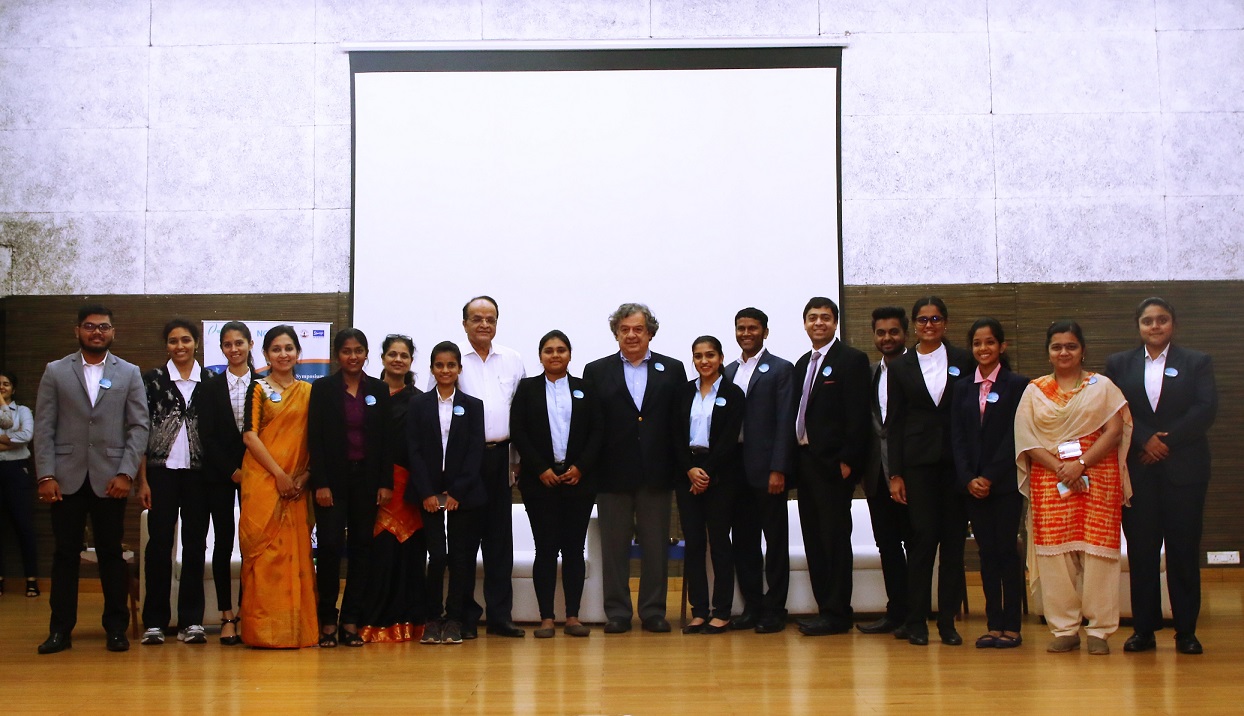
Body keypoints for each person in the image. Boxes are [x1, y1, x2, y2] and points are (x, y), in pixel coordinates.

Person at [34, 304, 149, 654]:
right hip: (65, 478)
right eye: (89, 326)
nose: (97, 332)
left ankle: (115, 629)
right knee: (65, 555)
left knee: (111, 555)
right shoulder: (55, 371)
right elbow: (44, 426)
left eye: (104, 327)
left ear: (113, 332)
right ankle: (60, 631)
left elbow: (139, 426)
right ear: (77, 331)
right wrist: (46, 474)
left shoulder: (129, 373)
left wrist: (126, 473)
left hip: (111, 480)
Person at [1104, 298, 1217, 655]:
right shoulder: (1119, 364)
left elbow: (1205, 409)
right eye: (1148, 321)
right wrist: (1143, 440)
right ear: (1138, 326)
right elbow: (1113, 409)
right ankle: (1144, 631)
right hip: (1139, 469)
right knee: (1142, 553)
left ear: (1173, 324)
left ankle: (1186, 632)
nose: (1155, 326)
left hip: (1185, 470)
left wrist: (1164, 441)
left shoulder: (1197, 362)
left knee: (1183, 552)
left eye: (1162, 320)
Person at [1016, 320, 1131, 656]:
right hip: (1050, 480)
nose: (1064, 352)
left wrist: (1080, 465)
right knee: (1057, 556)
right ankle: (1064, 628)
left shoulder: (1103, 386)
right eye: (1057, 347)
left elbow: (1114, 430)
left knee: (1098, 554)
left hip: (1098, 475)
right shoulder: (1035, 390)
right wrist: (1061, 468)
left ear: (1082, 350)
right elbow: (1026, 440)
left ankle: (1099, 631)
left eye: (1071, 346)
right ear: (1048, 352)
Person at [582, 303, 687, 634]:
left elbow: (678, 423)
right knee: (614, 548)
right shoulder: (596, 371)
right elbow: (591, 425)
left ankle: (654, 610)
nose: (631, 335)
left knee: (655, 546)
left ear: (650, 333)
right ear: (616, 334)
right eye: (624, 329)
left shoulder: (672, 370)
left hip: (657, 473)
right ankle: (617, 612)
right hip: (612, 474)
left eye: (638, 329)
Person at [887, 296, 975, 646]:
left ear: (946, 323)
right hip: (917, 465)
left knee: (953, 544)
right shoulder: (900, 367)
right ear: (914, 325)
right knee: (922, 541)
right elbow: (893, 423)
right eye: (922, 320)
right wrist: (895, 473)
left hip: (956, 464)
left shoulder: (964, 360)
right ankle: (916, 621)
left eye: (935, 318)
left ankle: (948, 623)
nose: (929, 325)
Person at [509, 330, 602, 638]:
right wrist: (540, 469)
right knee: (546, 549)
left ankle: (573, 616)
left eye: (561, 350)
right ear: (540, 356)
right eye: (548, 350)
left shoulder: (586, 389)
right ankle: (546, 618)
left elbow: (597, 434)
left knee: (574, 549)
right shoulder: (526, 389)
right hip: (540, 483)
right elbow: (518, 431)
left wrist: (580, 467)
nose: (555, 355)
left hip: (579, 481)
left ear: (570, 355)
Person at [308, 328, 392, 647]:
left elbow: (385, 441)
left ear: (367, 353)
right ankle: (328, 619)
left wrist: (384, 483)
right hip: (333, 482)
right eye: (346, 350)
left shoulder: (379, 390)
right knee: (329, 547)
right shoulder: (323, 389)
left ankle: (351, 620)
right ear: (337, 355)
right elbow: (315, 439)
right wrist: (321, 483)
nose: (353, 356)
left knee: (362, 549)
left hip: (367, 482)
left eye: (358, 350)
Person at [791, 297, 870, 637]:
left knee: (835, 540)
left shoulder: (851, 360)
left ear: (835, 323)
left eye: (825, 317)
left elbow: (858, 416)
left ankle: (839, 612)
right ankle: (825, 609)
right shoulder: (801, 364)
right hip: (805, 464)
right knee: (814, 539)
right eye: (812, 318)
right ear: (805, 324)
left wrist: (849, 461)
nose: (818, 323)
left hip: (834, 467)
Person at [238, 325, 318, 649]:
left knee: (294, 556)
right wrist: (279, 475)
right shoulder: (257, 389)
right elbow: (249, 435)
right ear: (266, 355)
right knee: (265, 556)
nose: (283, 354)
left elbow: (316, 439)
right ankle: (262, 633)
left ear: (299, 353)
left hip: (298, 484)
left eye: (289, 348)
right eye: (276, 349)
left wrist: (305, 475)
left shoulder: (310, 393)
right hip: (263, 483)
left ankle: (297, 632)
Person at [950, 318, 1028, 649]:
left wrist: (990, 475)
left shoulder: (1019, 385)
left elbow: (1017, 436)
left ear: (1002, 346)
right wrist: (969, 477)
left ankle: (1012, 625)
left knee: (1007, 552)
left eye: (990, 342)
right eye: (978, 343)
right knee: (986, 555)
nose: (984, 348)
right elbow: (957, 437)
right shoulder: (962, 386)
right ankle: (993, 623)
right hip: (973, 488)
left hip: (1006, 484)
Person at [137, 318, 213, 646]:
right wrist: (142, 481)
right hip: (160, 474)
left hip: (200, 476)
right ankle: (154, 621)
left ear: (196, 342)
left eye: (185, 340)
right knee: (158, 547)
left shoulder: (211, 380)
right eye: (172, 341)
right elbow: (139, 431)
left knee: (195, 546)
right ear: (166, 345)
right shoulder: (151, 380)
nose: (179, 346)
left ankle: (191, 622)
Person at [456, 296, 526, 638]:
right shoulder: (451, 361)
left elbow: (523, 415)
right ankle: (466, 616)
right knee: (465, 543)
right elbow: (434, 414)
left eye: (491, 318)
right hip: (465, 464)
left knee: (500, 543)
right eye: (477, 318)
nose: (484, 324)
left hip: (501, 459)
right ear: (465, 322)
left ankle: (501, 616)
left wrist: (516, 462)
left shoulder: (512, 361)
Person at [407, 341, 486, 646]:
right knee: (437, 556)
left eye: (451, 365)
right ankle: (432, 618)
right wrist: (427, 492)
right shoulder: (418, 405)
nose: (445, 370)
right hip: (426, 496)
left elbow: (474, 451)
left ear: (459, 369)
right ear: (431, 369)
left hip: (461, 497)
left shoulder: (473, 405)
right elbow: (413, 450)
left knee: (459, 558)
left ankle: (454, 619)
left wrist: (456, 492)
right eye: (439, 365)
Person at [722, 307, 795, 634]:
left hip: (767, 470)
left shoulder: (781, 369)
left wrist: (779, 467)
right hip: (734, 470)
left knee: (775, 541)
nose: (746, 333)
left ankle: (775, 609)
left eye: (753, 328)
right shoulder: (727, 371)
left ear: (765, 332)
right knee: (744, 542)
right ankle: (752, 606)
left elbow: (785, 423)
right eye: (741, 328)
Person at [358, 334, 427, 643]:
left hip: (410, 489)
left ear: (411, 361)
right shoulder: (367, 393)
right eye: (392, 354)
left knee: (407, 555)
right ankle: (373, 622)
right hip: (372, 486)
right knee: (378, 556)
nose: (398, 359)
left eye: (404, 355)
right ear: (382, 358)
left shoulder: (419, 399)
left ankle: (408, 623)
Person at [676, 335, 745, 634]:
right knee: (693, 544)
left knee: (719, 543)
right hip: (688, 475)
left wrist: (706, 472)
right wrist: (691, 470)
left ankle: (723, 611)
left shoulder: (733, 392)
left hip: (721, 476)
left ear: (720, 357)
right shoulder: (682, 393)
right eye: (698, 356)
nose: (704, 361)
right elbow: (675, 437)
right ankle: (699, 611)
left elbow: (730, 438)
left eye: (710, 355)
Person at [198, 320, 258, 645]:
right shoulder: (209, 387)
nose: (234, 349)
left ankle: (248, 611)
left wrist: (250, 470)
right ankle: (226, 615)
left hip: (256, 477)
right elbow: (205, 436)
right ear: (221, 348)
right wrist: (231, 470)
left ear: (250, 344)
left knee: (251, 546)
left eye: (239, 343)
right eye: (227, 344)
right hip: (220, 476)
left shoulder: (265, 385)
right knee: (223, 544)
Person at [856, 307, 911, 637]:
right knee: (887, 546)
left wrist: (901, 472)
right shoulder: (871, 372)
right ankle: (896, 611)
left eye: (893, 332)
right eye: (881, 333)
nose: (886, 338)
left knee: (914, 545)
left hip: (908, 475)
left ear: (904, 333)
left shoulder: (916, 371)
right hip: (876, 475)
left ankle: (914, 614)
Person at [0, 370, 39, 598]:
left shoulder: (22, 411)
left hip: (17, 471)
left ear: (13, 389)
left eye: (5, 384)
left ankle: (31, 580)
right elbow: (17, 438)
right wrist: (10, 440)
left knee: (24, 527)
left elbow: (26, 436)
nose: (2, 387)